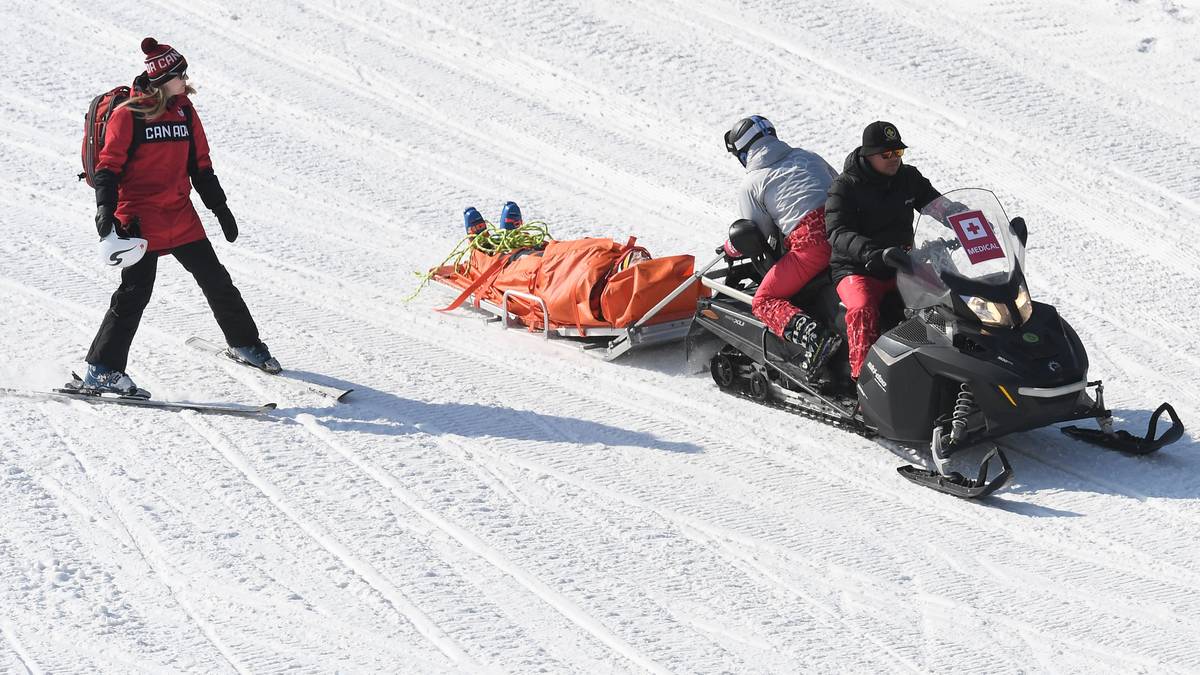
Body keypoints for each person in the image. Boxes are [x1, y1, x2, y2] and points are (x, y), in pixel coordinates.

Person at [83, 37, 279, 395]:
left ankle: (244, 343)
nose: (186, 80)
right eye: (180, 75)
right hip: (139, 220)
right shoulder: (128, 115)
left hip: (180, 216)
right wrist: (105, 210)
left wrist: (219, 207)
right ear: (162, 79)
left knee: (217, 281)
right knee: (134, 294)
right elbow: (108, 168)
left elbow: (201, 165)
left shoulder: (185, 112)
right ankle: (102, 369)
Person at [824, 120, 948, 381]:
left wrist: (965, 218)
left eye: (898, 152)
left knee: (945, 297)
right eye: (887, 154)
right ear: (869, 155)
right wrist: (871, 252)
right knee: (862, 308)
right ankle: (863, 381)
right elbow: (837, 232)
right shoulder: (845, 186)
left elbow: (936, 204)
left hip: (902, 263)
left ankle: (943, 366)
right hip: (857, 268)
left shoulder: (908, 177)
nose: (894, 159)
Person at [722, 115, 842, 377]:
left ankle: (816, 339)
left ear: (743, 153)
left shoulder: (752, 182)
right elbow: (841, 187)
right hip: (846, 235)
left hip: (813, 247)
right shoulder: (809, 156)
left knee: (763, 300)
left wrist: (730, 248)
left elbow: (756, 233)